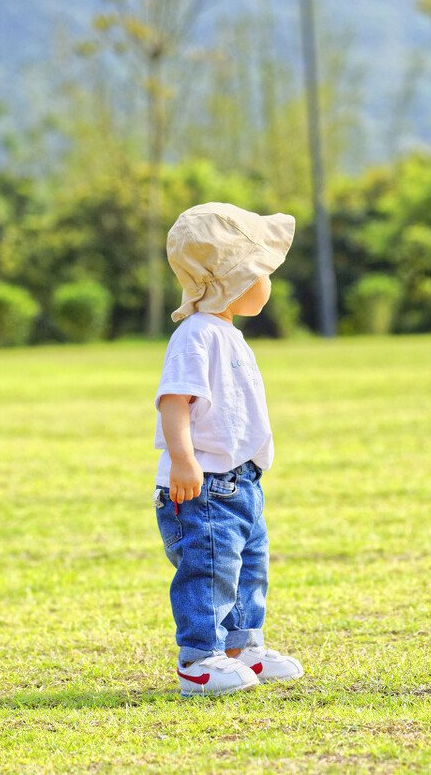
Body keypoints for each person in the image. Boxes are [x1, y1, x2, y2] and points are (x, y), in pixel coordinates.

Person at [151, 202, 304, 697]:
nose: (268, 282)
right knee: (210, 569)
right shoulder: (196, 336)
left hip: (241, 482)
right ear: (231, 279)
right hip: (204, 484)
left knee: (247, 567)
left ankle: (242, 648)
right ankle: (198, 660)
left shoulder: (227, 334)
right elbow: (173, 402)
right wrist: (183, 459)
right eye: (261, 271)